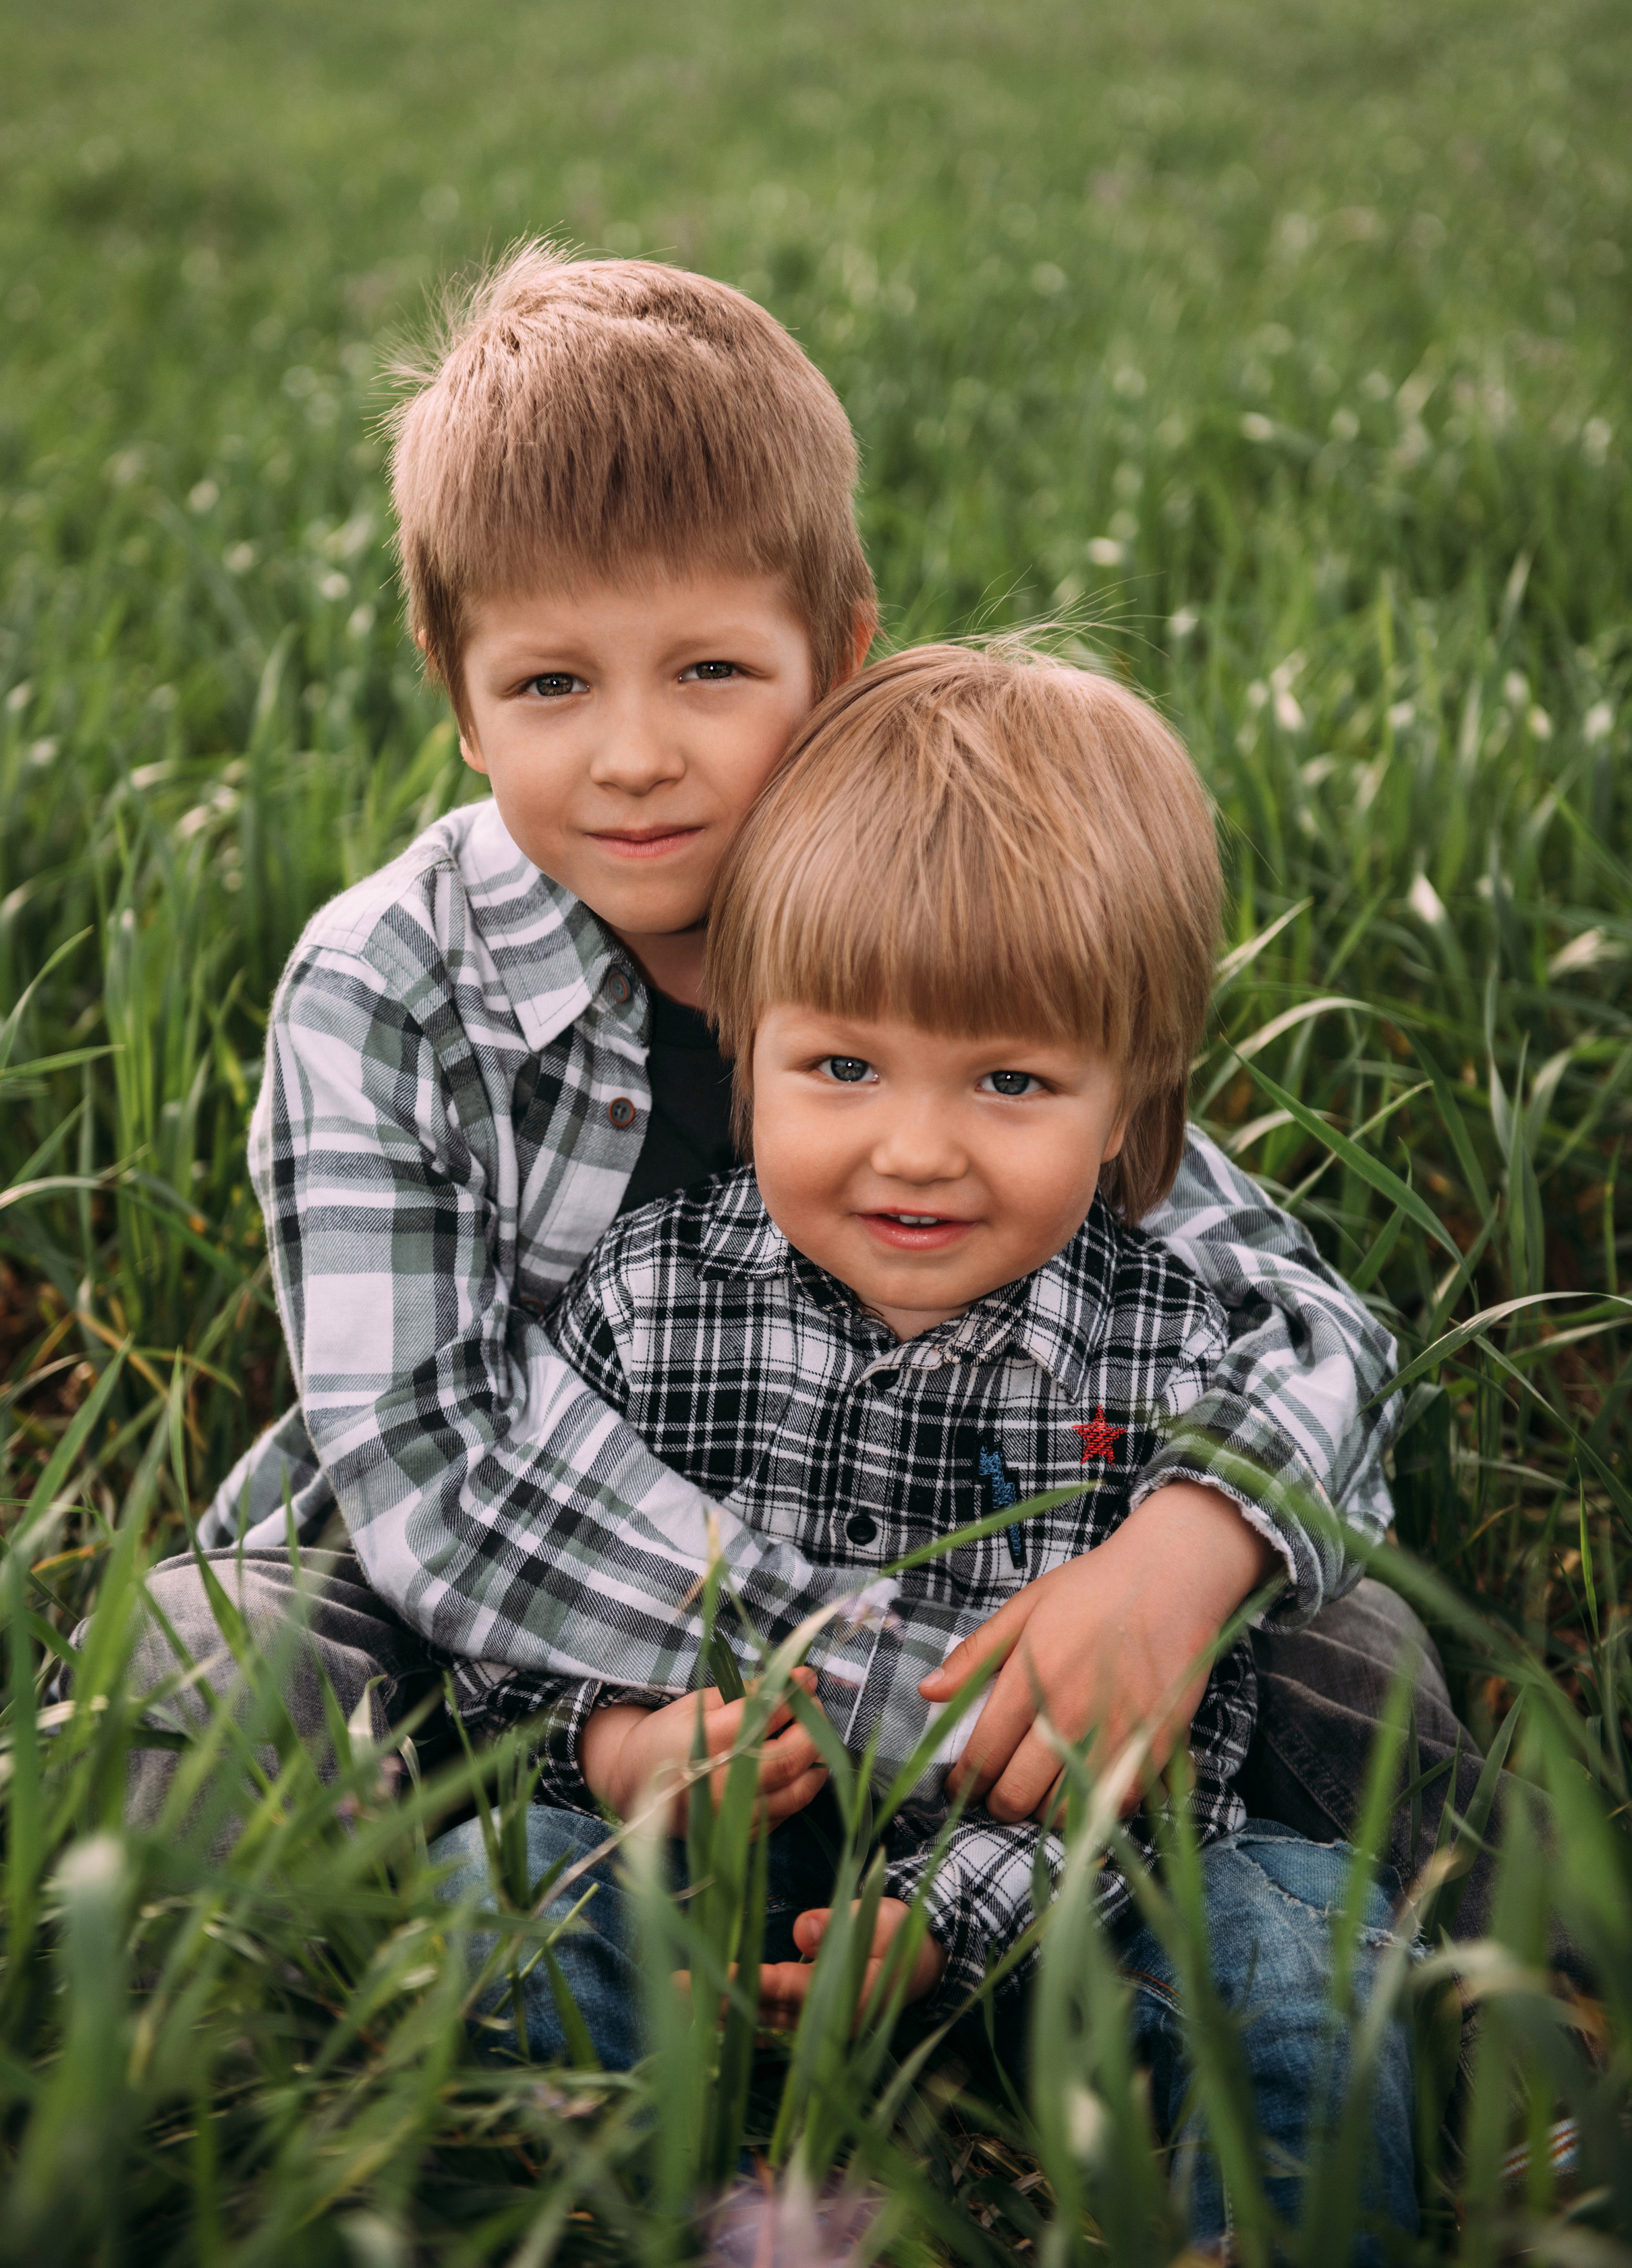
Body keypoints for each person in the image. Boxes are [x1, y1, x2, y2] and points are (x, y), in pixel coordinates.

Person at [115, 242, 1430, 1889]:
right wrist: (871, 1687)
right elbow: (437, 1479)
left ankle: (1496, 1991)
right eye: (548, 685)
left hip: (954, 1538)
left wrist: (1180, 1553)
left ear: (840, 652)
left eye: (712, 671)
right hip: (496, 1594)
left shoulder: (913, 912)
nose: (636, 754)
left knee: (1349, 1648)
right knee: (199, 1669)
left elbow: (1300, 1317)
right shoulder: (383, 985)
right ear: (459, 702)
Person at [430, 642, 1417, 2246]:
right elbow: (507, 1626)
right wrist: (613, 1753)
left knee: (1310, 1956)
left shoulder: (1166, 1341)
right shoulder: (647, 1299)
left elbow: (1198, 1717)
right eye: (839, 1066)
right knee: (503, 1888)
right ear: (740, 1041)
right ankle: (622, 2212)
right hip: (710, 1859)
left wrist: (932, 1925)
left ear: (1128, 1106)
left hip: (1093, 1898)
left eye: (1010, 1081)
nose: (913, 1148)